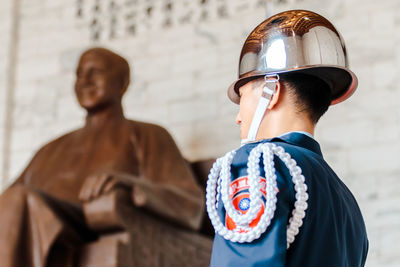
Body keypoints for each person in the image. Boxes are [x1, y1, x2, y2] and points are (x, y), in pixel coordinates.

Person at [0, 47, 204, 267]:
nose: (84, 81)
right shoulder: (48, 150)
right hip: (42, 236)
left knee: (19, 199)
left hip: (90, 228)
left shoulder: (147, 135)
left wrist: (131, 185)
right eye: (79, 74)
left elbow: (190, 204)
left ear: (122, 82)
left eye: (95, 72)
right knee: (16, 200)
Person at [206, 10, 368, 266]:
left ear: (272, 91)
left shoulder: (261, 163)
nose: (238, 117)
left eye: (244, 96)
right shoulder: (346, 202)